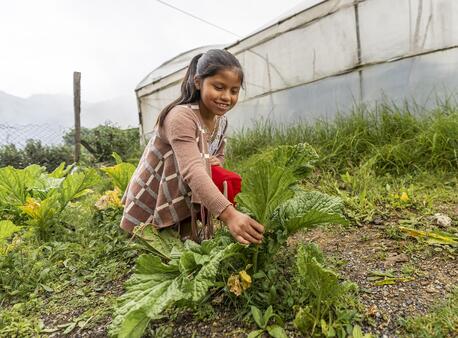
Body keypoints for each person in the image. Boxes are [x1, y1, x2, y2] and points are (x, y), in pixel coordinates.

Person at [120, 49, 264, 245]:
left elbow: (219, 155)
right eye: (219, 87)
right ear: (198, 82)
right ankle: (162, 227)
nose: (226, 97)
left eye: (234, 91)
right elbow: (192, 169)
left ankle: (186, 228)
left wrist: (214, 161)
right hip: (158, 192)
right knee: (160, 243)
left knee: (212, 171)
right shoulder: (181, 116)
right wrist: (230, 215)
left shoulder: (221, 121)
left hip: (184, 184)